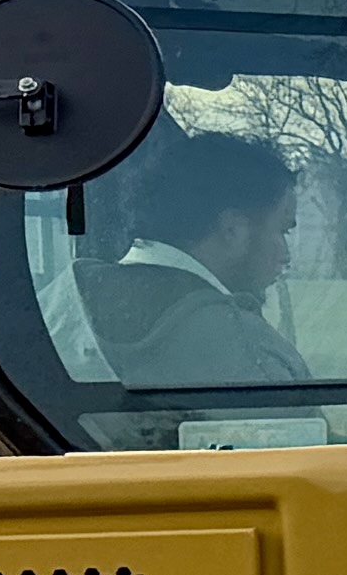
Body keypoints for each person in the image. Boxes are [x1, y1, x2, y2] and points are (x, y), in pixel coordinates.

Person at [87, 126, 312, 390]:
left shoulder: (61, 304)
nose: (286, 255)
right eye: (282, 230)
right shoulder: (248, 350)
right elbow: (300, 429)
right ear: (232, 230)